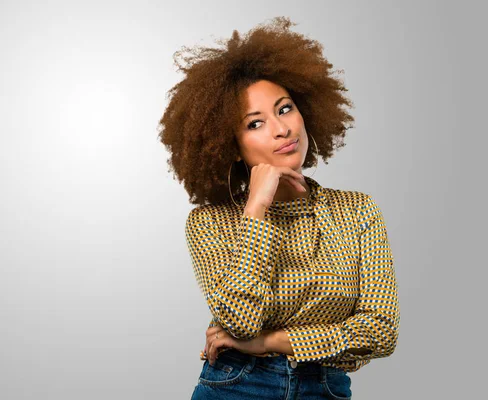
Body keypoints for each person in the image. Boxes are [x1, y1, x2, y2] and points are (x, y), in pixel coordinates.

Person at [158, 16, 399, 400]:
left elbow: (380, 331)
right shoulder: (210, 223)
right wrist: (256, 207)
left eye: (284, 109)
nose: (281, 129)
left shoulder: (357, 212)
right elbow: (240, 319)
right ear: (230, 145)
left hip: (326, 389)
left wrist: (267, 342)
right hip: (237, 385)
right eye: (255, 123)